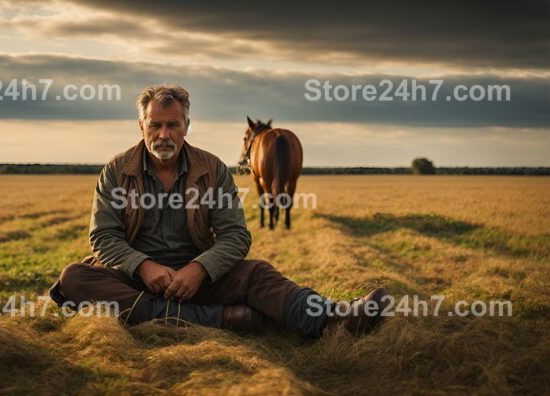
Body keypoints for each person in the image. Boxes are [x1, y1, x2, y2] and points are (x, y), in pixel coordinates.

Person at [50, 84, 388, 338]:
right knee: (75, 278)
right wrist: (144, 266)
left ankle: (334, 319)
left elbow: (235, 236)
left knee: (256, 274)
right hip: (135, 280)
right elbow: (103, 236)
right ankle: (219, 319)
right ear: (142, 127)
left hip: (199, 280)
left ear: (186, 126)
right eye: (155, 125)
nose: (163, 135)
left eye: (173, 125)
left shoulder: (212, 169)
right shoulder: (116, 170)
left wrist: (199, 269)